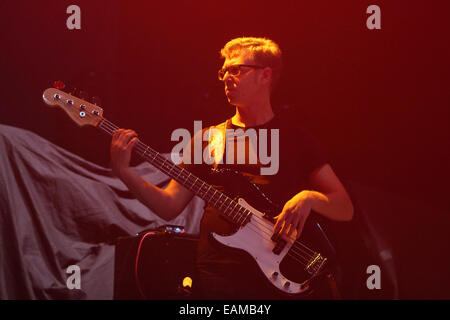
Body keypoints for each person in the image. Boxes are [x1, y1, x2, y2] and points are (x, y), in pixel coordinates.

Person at [110, 37, 354, 299]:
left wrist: (308, 198)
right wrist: (126, 172)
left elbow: (344, 207)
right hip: (220, 271)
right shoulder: (207, 139)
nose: (226, 78)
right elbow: (169, 205)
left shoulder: (296, 138)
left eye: (236, 69)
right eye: (223, 71)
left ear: (266, 75)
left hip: (283, 271)